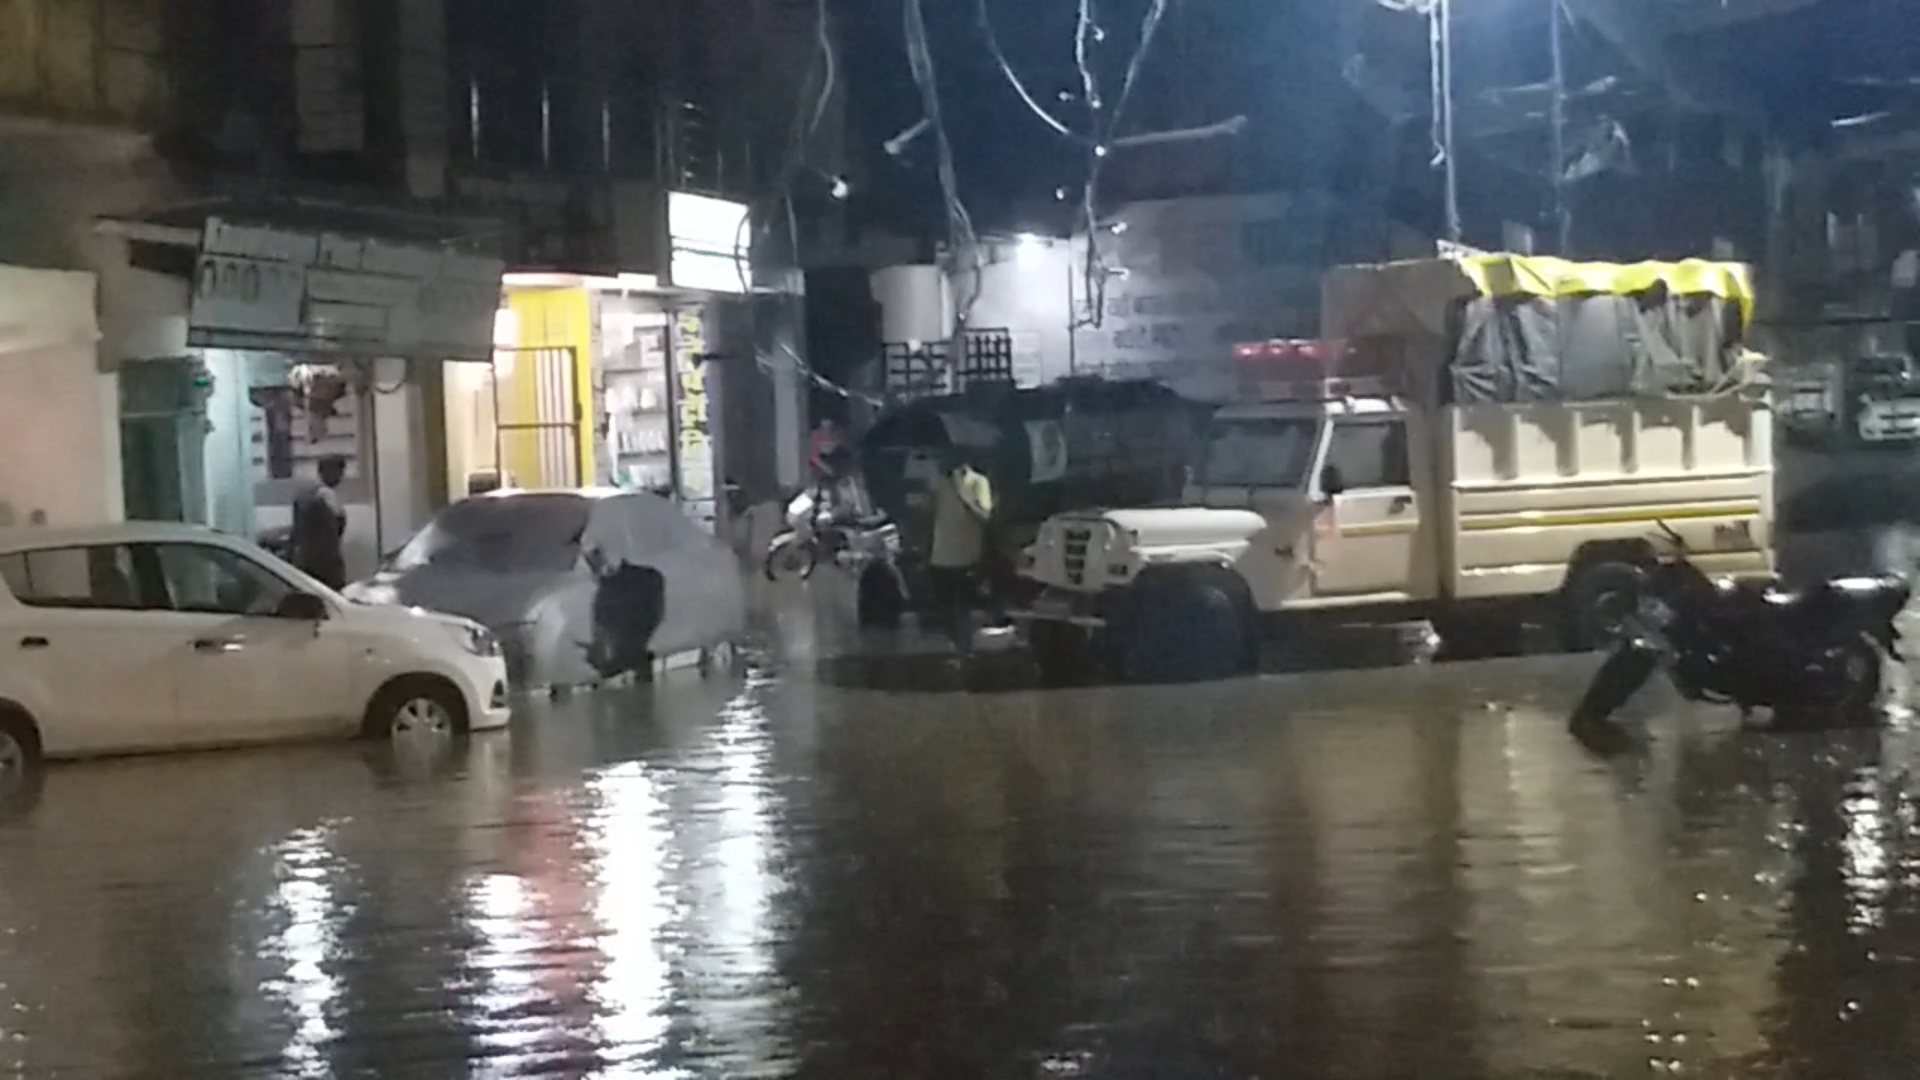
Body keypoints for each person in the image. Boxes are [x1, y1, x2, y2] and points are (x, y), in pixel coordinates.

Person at [927, 450, 994, 656]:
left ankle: (966, 649)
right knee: (946, 608)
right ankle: (956, 649)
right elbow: (930, 515)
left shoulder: (978, 482)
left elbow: (985, 515)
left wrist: (963, 494)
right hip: (941, 556)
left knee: (965, 606)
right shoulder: (940, 484)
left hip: (966, 556)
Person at [291, 455, 348, 589]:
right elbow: (337, 526)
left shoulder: (304, 494)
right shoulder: (326, 495)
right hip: (325, 563)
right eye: (339, 472)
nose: (340, 477)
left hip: (306, 560)